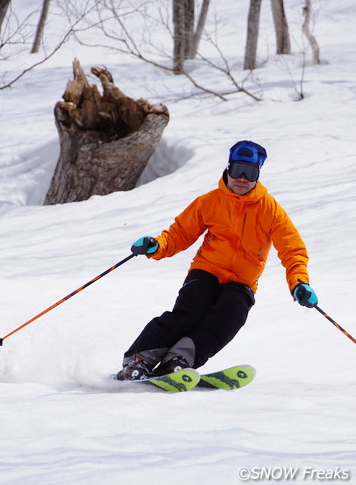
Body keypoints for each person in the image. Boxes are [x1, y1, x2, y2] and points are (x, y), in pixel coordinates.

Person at [115, 140, 318, 380]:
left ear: (257, 176)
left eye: (250, 172)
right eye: (237, 170)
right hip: (206, 270)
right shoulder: (209, 202)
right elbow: (180, 234)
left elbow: (292, 249)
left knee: (229, 317)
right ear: (228, 169)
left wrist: (299, 283)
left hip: (242, 281)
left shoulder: (270, 210)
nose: (242, 178)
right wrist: (157, 245)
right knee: (189, 311)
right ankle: (138, 360)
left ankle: (178, 361)